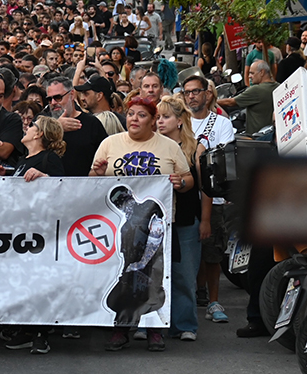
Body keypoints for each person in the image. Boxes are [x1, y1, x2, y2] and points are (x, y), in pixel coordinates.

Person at [90, 97, 194, 352]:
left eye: (141, 115)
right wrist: (97, 172)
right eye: (130, 114)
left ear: (153, 120)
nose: (134, 119)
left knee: (156, 279)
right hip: (121, 233)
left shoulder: (169, 147)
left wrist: (180, 184)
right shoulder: (110, 144)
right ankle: (121, 329)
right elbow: (92, 181)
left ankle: (154, 331)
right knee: (123, 279)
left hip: (158, 229)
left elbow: (188, 178)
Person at [0, 115, 66, 354]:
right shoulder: (23, 160)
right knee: (23, 282)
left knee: (39, 282)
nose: (27, 127)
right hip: (19, 232)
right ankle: (25, 329)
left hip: (41, 232)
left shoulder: (49, 158)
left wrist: (45, 178)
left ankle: (41, 335)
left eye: (32, 126)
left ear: (39, 134)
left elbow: (63, 189)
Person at [181, 75, 233, 323]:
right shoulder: (181, 122)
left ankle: (214, 300)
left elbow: (225, 157)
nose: (191, 96)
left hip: (214, 197)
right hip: (185, 195)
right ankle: (192, 295)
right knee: (189, 251)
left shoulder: (221, 123)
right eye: (187, 92)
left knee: (213, 252)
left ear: (207, 94)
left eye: (196, 91)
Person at [157, 96, 207, 341]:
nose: (160, 122)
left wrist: (205, 220)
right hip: (156, 222)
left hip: (187, 219)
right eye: (157, 117)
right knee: (154, 274)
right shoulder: (150, 146)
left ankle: (186, 324)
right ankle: (152, 324)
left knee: (184, 275)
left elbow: (205, 188)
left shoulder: (196, 148)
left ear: (179, 121)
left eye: (165, 117)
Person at [46, 77, 107, 178]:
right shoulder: (43, 123)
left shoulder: (92, 124)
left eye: (58, 97)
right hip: (52, 188)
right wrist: (56, 127)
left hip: (84, 187)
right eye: (49, 99)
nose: (53, 103)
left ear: (72, 95)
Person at [218, 61, 277, 135]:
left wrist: (212, 101)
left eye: (252, 73)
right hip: (273, 134)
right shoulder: (278, 86)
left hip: (256, 138)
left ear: (262, 72)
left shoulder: (256, 90)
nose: (249, 76)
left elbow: (230, 102)